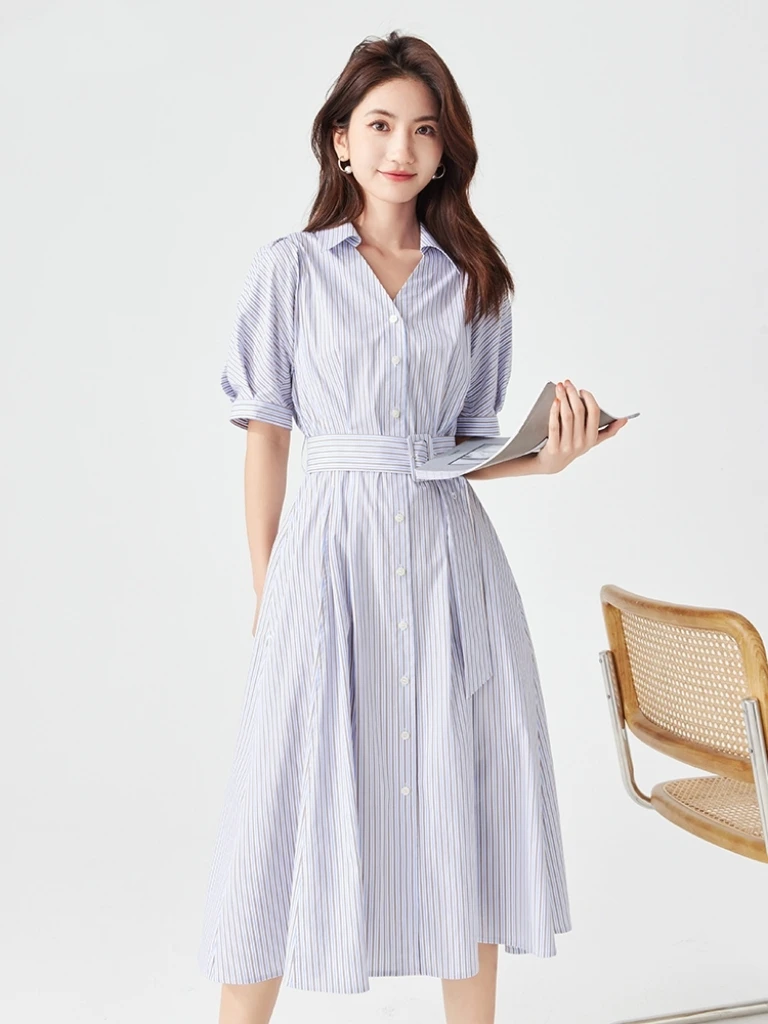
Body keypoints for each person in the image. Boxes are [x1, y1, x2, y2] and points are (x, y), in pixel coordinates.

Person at [198, 29, 629, 1024]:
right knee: (280, 808)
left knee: (458, 799)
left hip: (448, 564)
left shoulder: (475, 279)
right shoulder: (290, 271)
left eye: (424, 130)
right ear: (341, 140)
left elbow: (464, 449)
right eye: (381, 124)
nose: (402, 147)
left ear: (445, 150)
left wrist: (549, 457)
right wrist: (269, 587)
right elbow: (266, 438)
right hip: (326, 559)